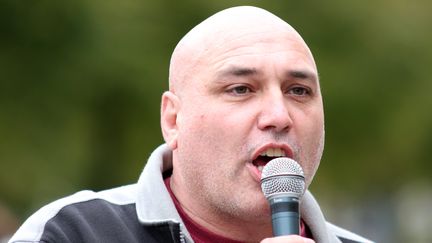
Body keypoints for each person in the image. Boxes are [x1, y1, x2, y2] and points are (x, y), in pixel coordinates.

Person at [9, 6, 374, 243]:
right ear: (173, 120)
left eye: (298, 90)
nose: (279, 116)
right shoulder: (72, 233)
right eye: (241, 89)